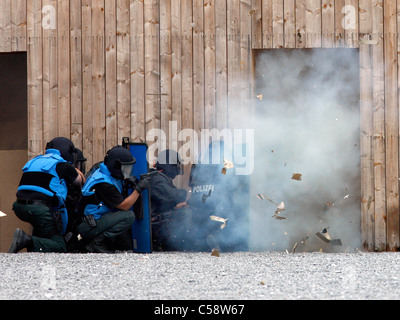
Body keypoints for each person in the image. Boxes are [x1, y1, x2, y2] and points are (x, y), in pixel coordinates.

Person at [8, 137, 85, 253]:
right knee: (60, 246)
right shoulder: (62, 165)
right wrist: (73, 168)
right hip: (39, 209)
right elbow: (80, 181)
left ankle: (31, 244)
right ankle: (27, 240)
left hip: (19, 207)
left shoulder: (35, 160)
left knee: (43, 231)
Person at [75, 146, 151, 253]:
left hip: (93, 221)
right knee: (128, 216)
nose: (128, 171)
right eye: (125, 168)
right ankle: (97, 242)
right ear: (116, 166)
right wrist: (139, 189)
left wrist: (130, 180)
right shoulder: (104, 184)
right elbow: (124, 206)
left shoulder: (102, 171)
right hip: (88, 226)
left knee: (125, 244)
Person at [149, 149, 192, 251]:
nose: (177, 168)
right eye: (175, 164)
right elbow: (174, 196)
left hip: (158, 218)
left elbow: (167, 202)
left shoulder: (161, 177)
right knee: (186, 213)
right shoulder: (157, 179)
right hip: (155, 222)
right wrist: (188, 194)